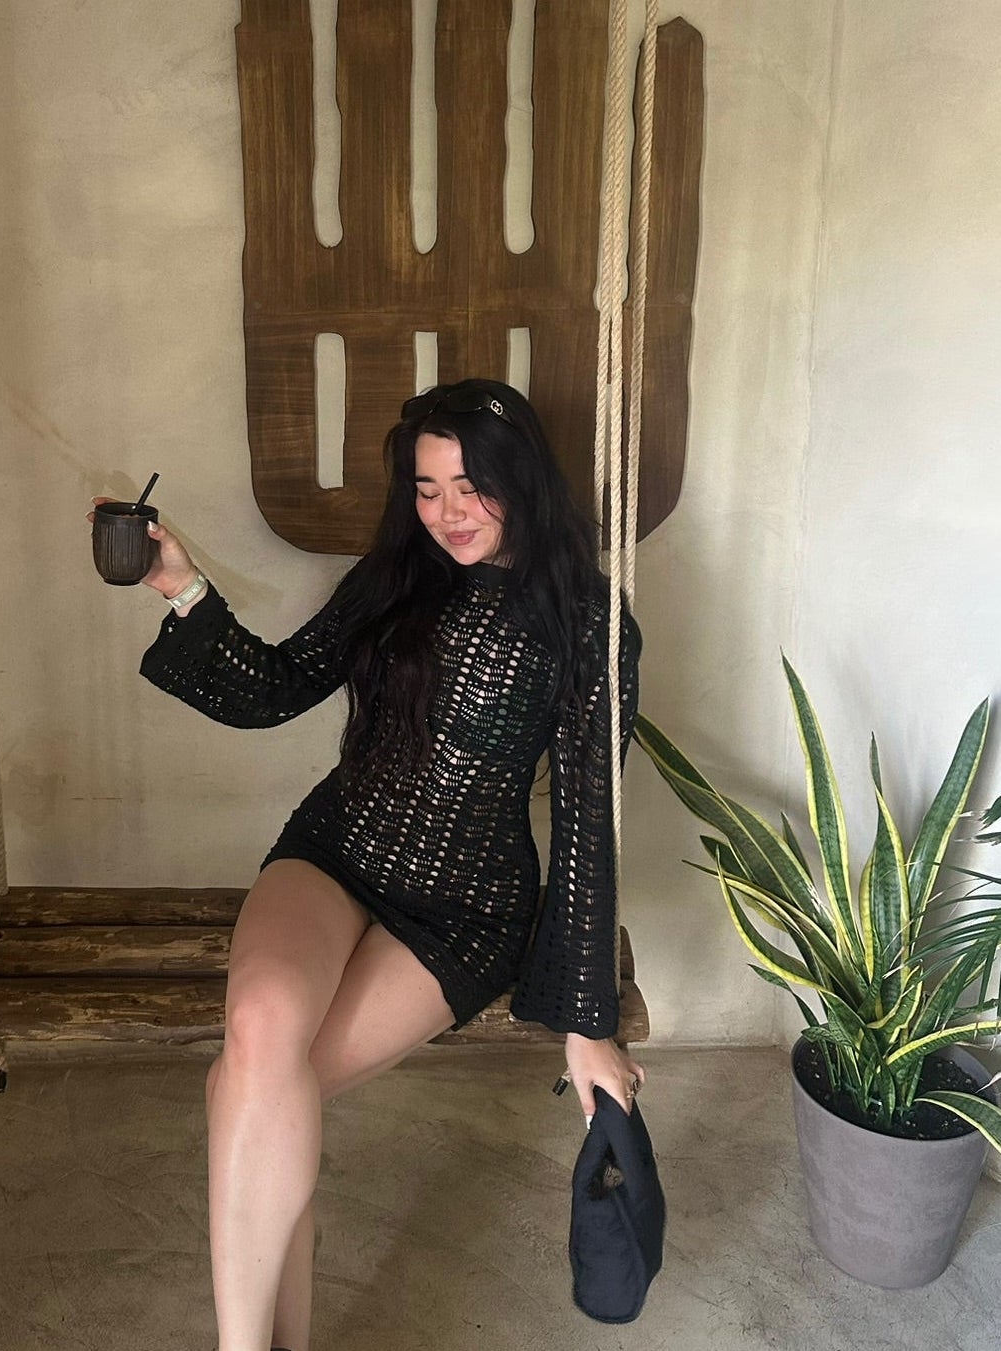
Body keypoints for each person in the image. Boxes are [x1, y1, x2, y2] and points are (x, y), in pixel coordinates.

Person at [91, 378, 644, 1351]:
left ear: (523, 479)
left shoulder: (588, 623)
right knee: (263, 1038)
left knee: (255, 1091)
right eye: (427, 489)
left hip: (465, 908)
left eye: (471, 485)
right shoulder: (395, 578)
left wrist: (586, 1023)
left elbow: (588, 825)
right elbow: (273, 689)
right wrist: (177, 583)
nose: (448, 513)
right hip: (336, 850)